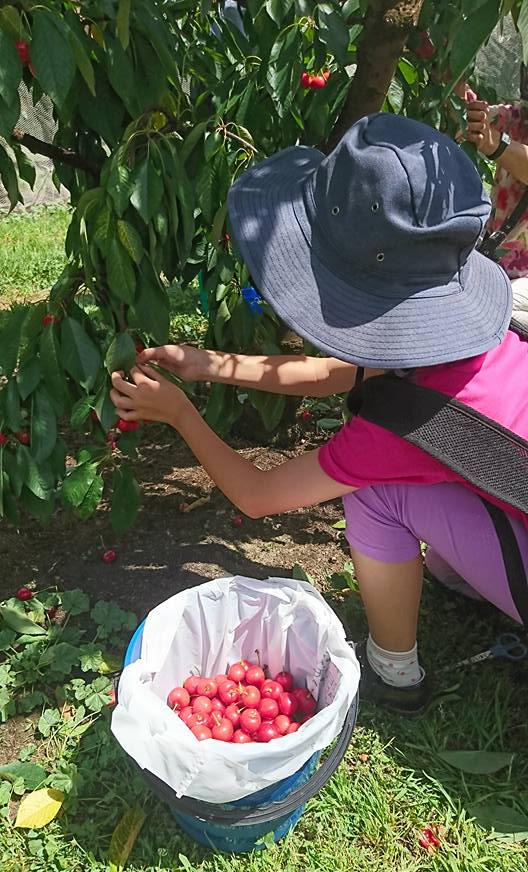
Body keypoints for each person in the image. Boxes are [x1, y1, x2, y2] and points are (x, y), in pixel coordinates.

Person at [111, 113, 528, 713]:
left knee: (374, 492)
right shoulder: (475, 331)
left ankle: (394, 671)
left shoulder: (402, 430)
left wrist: (179, 413)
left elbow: (257, 495)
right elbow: (346, 372)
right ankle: (464, 576)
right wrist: (214, 365)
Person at [464, 65, 528, 327]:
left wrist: (494, 143)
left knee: (484, 313)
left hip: (521, 284)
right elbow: (466, 117)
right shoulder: (515, 118)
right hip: (494, 266)